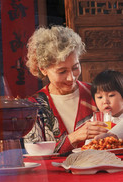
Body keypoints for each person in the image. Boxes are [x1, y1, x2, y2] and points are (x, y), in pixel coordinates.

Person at [23, 25, 108, 154]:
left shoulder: (98, 94)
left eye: (75, 67)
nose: (71, 78)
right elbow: (35, 155)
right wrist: (73, 138)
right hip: (55, 174)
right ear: (43, 69)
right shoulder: (34, 106)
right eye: (62, 71)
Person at [91, 70, 123, 140]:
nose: (105, 101)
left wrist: (111, 135)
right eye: (100, 97)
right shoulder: (96, 120)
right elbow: (89, 144)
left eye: (111, 95)